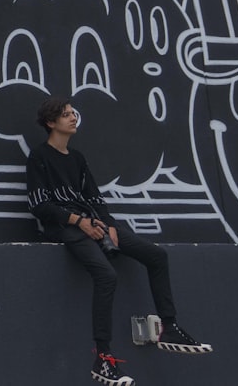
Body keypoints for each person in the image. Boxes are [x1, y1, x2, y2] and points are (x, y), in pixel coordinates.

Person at [26, 96, 212, 386]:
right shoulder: (39, 157)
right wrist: (78, 222)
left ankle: (170, 327)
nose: (73, 118)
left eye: (73, 113)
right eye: (65, 115)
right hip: (66, 228)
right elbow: (39, 205)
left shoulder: (77, 158)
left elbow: (95, 198)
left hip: (94, 223)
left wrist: (109, 225)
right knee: (107, 276)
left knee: (156, 255)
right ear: (51, 123)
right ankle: (103, 358)